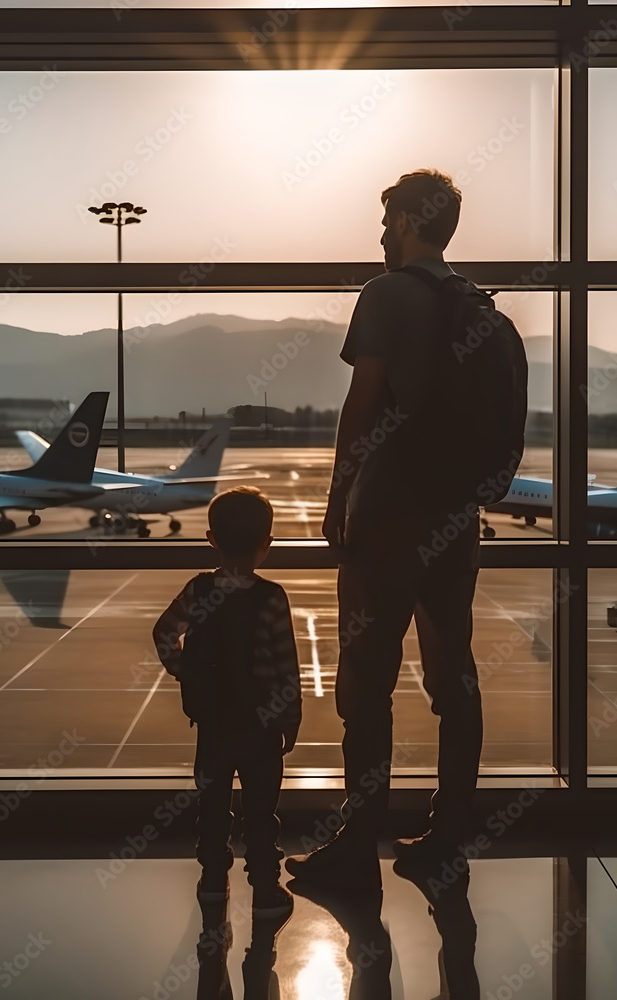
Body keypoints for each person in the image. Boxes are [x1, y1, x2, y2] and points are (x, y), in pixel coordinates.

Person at [286, 169, 482, 890]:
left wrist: (339, 497)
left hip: (390, 523)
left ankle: (357, 845)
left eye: (385, 220)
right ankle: (447, 836)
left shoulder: (386, 294)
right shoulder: (475, 307)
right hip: (457, 524)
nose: (379, 233)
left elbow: (361, 406)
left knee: (368, 686)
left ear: (403, 221)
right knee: (452, 681)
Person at [152, 486, 301, 917]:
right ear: (265, 545)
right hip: (261, 725)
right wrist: (291, 716)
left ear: (211, 539)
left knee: (212, 806)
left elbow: (164, 632)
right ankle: (266, 888)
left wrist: (185, 671)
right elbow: (286, 665)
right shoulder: (271, 598)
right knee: (260, 810)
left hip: (213, 721)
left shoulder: (199, 591)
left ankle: (213, 878)